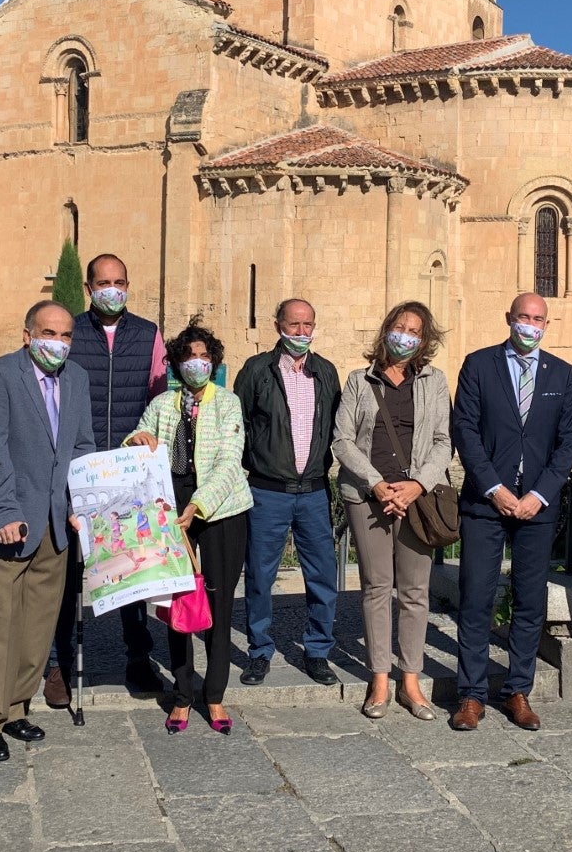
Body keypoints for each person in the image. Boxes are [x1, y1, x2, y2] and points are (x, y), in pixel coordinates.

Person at [0, 302, 95, 760]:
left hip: (56, 525)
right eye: (48, 333)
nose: (57, 343)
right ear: (27, 335)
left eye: (65, 335)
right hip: (12, 521)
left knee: (38, 625)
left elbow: (82, 447)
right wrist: (3, 512)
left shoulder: (77, 379)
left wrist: (80, 505)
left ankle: (17, 706)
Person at [451, 293, 572, 732]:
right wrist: (494, 488)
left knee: (529, 599)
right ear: (509, 318)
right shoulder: (479, 365)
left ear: (547, 324)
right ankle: (471, 693)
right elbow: (465, 429)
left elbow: (568, 442)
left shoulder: (561, 373)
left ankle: (517, 690)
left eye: (538, 319)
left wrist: (539, 494)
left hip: (536, 506)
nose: (530, 325)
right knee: (476, 596)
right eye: (523, 317)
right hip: (486, 502)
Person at [47, 253, 168, 706]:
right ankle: (58, 664)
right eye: (103, 283)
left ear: (128, 285)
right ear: (89, 289)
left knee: (131, 564)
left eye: (119, 281)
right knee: (67, 573)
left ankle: (138, 656)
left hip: (127, 469)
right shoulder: (71, 332)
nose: (112, 290)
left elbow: (159, 398)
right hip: (78, 467)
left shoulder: (148, 334)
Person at [127, 324, 252, 732]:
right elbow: (138, 437)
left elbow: (230, 461)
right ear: (177, 363)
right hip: (172, 506)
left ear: (213, 361)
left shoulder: (228, 403)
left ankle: (214, 694)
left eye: (203, 356)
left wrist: (200, 504)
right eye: (188, 356)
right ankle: (182, 695)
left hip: (220, 508)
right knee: (178, 600)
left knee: (218, 601)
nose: (197, 363)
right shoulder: (163, 403)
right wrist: (136, 440)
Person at [333, 302, 452, 720]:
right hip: (369, 497)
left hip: (416, 499)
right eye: (400, 327)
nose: (406, 336)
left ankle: (411, 680)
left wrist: (417, 484)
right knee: (377, 587)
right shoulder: (359, 380)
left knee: (415, 591)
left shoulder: (435, 381)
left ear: (424, 340)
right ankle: (380, 678)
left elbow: (443, 441)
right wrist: (376, 483)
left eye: (415, 331)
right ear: (386, 330)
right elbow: (342, 440)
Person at [234, 299, 342, 687]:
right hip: (268, 492)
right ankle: (259, 652)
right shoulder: (256, 370)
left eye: (307, 324)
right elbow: (238, 423)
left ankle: (317, 651)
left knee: (323, 575)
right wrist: (258, 461)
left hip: (313, 491)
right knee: (260, 576)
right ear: (278, 324)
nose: (301, 332)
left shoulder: (325, 372)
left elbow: (336, 426)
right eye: (294, 324)